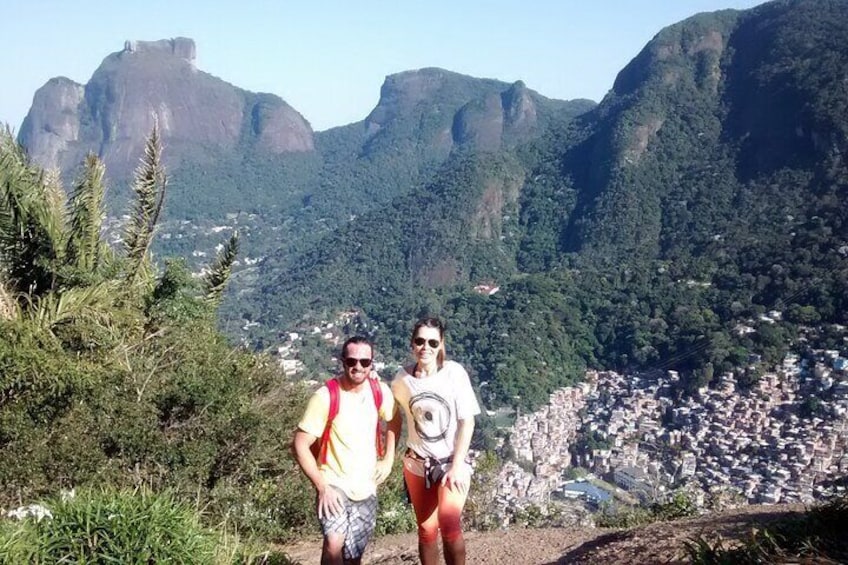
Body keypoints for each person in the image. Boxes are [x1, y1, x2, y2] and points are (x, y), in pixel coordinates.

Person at [292, 336, 396, 565]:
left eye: (364, 362)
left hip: (367, 486)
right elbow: (300, 443)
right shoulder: (325, 396)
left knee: (353, 556)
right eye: (352, 361)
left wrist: (388, 459)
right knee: (333, 544)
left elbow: (394, 419)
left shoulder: (380, 393)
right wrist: (321, 486)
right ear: (342, 361)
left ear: (372, 363)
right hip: (333, 482)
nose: (358, 367)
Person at [389, 317, 481, 565]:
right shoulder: (401, 380)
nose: (425, 347)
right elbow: (392, 414)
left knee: (449, 526)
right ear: (412, 344)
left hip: (450, 461)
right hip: (416, 462)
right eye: (420, 341)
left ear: (441, 344)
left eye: (432, 342)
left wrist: (457, 465)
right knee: (426, 530)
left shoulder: (454, 373)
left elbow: (467, 421)